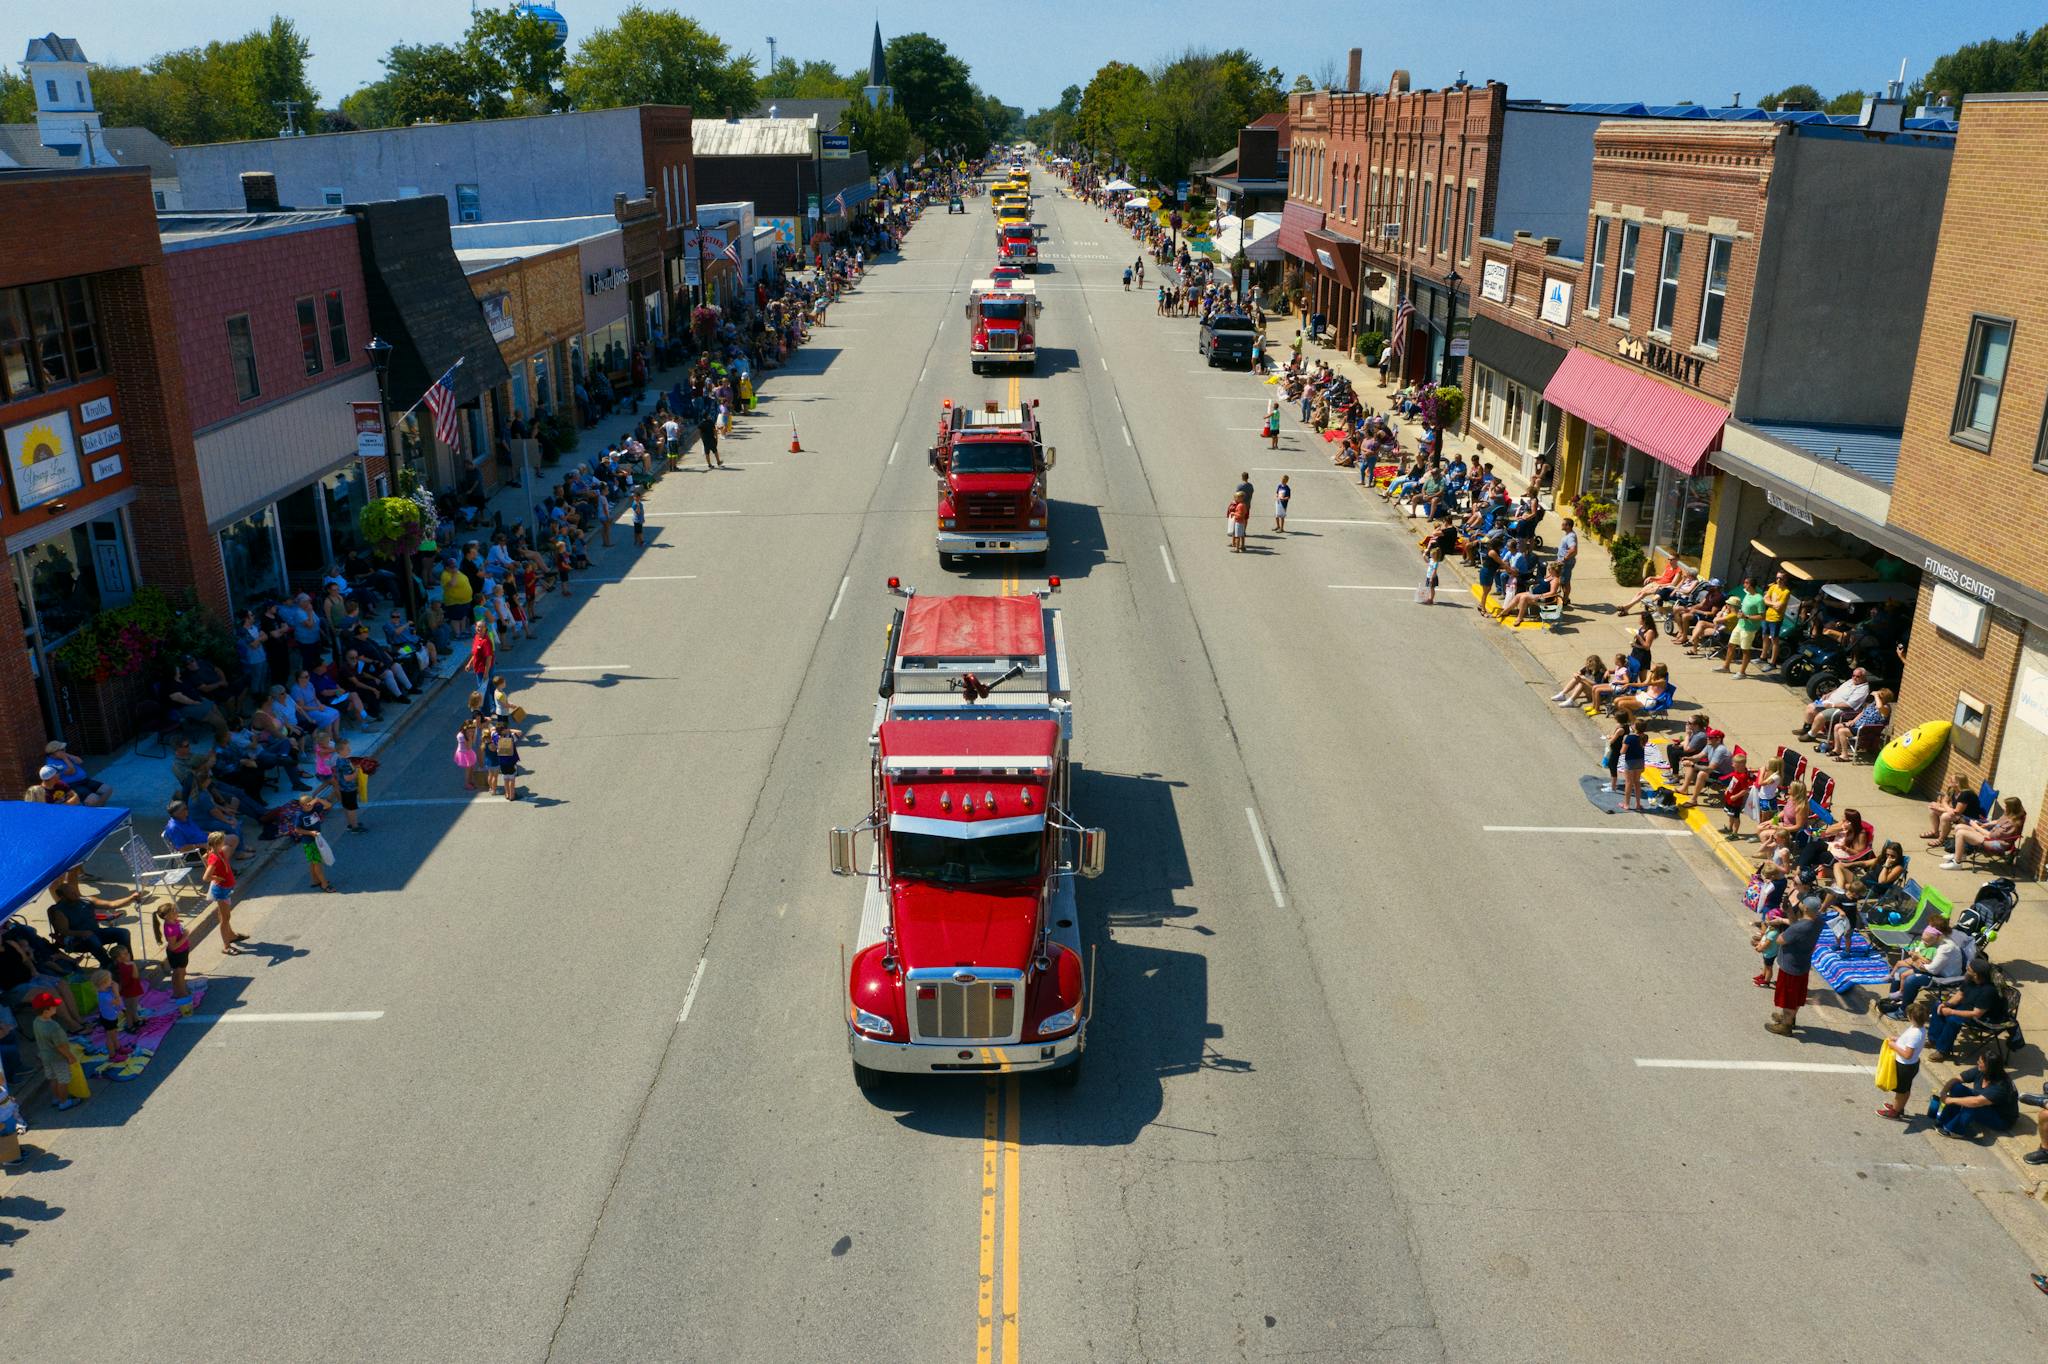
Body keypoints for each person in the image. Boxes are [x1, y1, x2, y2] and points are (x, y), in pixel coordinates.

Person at [1925, 957, 2005, 1061]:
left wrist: (1951, 1011)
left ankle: (1943, 1051)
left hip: (1984, 1017)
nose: (1967, 969)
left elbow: (1977, 1013)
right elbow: (1959, 995)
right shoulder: (1969, 980)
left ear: (1976, 975)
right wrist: (1947, 1004)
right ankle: (1934, 1040)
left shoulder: (1988, 991)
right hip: (1968, 1007)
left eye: (1969, 969)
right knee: (1938, 1006)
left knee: (1953, 1020)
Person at [1928, 1052, 2020, 1140]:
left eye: (1980, 1062)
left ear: (1989, 1067)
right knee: (1956, 1088)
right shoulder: (1981, 1070)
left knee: (1972, 1105)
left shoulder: (2001, 1086)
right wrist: (1944, 1093)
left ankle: (1955, 1130)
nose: (1977, 1063)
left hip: (2000, 1118)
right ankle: (1944, 1119)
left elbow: (1976, 1102)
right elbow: (1956, 1079)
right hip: (1985, 1102)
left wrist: (1950, 1100)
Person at [1765, 897, 1823, 1035]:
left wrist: (1780, 927)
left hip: (1790, 967)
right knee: (1796, 996)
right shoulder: (1818, 922)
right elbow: (1796, 925)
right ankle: (1789, 1018)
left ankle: (1786, 1025)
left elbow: (1780, 940)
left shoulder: (1799, 928)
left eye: (1802, 903)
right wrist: (1790, 912)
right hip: (1803, 965)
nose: (1800, 903)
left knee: (1789, 999)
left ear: (1806, 908)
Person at [25, 992, 83, 1112]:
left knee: (53, 1078)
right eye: (53, 1006)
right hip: (58, 1058)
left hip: (45, 1057)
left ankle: (57, 1098)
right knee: (63, 1080)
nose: (56, 1007)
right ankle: (64, 1102)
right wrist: (70, 1057)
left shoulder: (36, 1021)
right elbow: (60, 1046)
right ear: (46, 1010)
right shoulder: (53, 1027)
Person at [1876, 998, 1932, 1119]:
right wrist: (1899, 1040)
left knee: (1901, 1091)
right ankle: (1898, 1107)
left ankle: (1895, 1112)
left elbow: (1907, 1054)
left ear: (1912, 1017)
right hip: (1911, 1064)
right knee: (1904, 1089)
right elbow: (1908, 1044)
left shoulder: (1915, 1034)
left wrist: (1893, 1046)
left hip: (1905, 1066)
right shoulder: (1918, 1029)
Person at [1941, 795, 2026, 871]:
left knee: (1961, 833)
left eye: (2005, 806)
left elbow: (1991, 835)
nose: (2004, 807)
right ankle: (1961, 854)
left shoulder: (2011, 824)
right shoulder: (2009, 814)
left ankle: (1957, 863)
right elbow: (1998, 821)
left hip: (1996, 843)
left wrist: (1976, 826)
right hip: (1992, 836)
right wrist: (1986, 824)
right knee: (1959, 827)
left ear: (2011, 808)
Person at [1795, 668, 1871, 742]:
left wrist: (1832, 705)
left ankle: (1811, 735)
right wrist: (1828, 694)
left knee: (1821, 715)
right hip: (1829, 702)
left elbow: (1849, 705)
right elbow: (1838, 690)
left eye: (1858, 676)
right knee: (1811, 707)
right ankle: (1806, 729)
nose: (1854, 678)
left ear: (1864, 677)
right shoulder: (1850, 681)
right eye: (1853, 675)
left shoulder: (1863, 689)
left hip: (1842, 709)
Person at [202, 830, 245, 954]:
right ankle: (226, 946)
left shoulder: (216, 852)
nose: (225, 842)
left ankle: (231, 935)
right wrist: (216, 878)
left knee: (224, 916)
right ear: (218, 843)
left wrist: (210, 867)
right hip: (221, 890)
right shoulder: (215, 857)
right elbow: (205, 877)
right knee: (225, 918)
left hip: (225, 889)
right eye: (223, 840)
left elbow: (207, 860)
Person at [1718, 576, 1767, 676]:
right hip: (1740, 625)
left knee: (1745, 650)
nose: (1743, 585)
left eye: (1745, 583)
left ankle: (1742, 672)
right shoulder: (1747, 594)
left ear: (1749, 585)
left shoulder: (1759, 599)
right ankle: (1726, 667)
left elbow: (1762, 616)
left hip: (1749, 628)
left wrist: (1747, 617)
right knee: (1731, 645)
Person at [40, 740, 111, 806]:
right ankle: (92, 808)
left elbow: (80, 761)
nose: (64, 750)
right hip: (73, 785)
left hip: (85, 780)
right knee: (95, 799)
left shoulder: (63, 755)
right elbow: (72, 771)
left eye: (64, 749)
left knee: (107, 789)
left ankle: (99, 807)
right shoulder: (52, 764)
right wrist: (65, 758)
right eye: (61, 750)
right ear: (54, 753)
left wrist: (67, 755)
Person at [152, 904, 195, 1010]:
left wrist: (177, 921)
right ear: (167, 916)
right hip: (177, 954)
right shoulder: (170, 929)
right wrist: (185, 936)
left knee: (180, 973)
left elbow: (176, 925)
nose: (177, 912)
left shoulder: (173, 921)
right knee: (179, 975)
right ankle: (183, 994)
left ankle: (177, 992)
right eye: (174, 911)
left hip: (182, 952)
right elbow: (173, 947)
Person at [291, 794, 336, 892]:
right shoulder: (300, 815)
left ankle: (315, 881)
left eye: (310, 802)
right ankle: (324, 884)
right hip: (309, 842)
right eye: (306, 804)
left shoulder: (315, 809)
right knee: (317, 863)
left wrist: (318, 799)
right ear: (302, 805)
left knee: (313, 862)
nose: (309, 805)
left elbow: (328, 805)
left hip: (316, 839)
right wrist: (310, 833)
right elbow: (297, 829)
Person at [488, 715, 525, 801]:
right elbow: (520, 732)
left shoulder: (495, 737)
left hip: (501, 760)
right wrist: (509, 730)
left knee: (505, 778)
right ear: (505, 730)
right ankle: (512, 795)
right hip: (511, 760)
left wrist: (496, 729)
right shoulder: (510, 737)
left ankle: (507, 794)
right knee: (512, 778)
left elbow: (491, 729)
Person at [1752, 910, 1785, 988]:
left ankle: (1766, 981)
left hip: (1770, 953)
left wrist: (1760, 948)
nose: (1766, 921)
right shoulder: (1770, 928)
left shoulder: (1773, 933)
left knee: (1769, 967)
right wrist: (1759, 943)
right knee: (1766, 965)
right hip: (1768, 952)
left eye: (1767, 920)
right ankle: (1763, 975)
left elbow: (1767, 944)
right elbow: (1764, 937)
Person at [1552, 518, 1578, 610]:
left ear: (1568, 526)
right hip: (1563, 562)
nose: (1561, 525)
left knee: (1565, 582)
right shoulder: (1568, 535)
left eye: (1563, 524)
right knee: (1563, 581)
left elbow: (1573, 550)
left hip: (1566, 563)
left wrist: (1563, 559)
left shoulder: (1571, 536)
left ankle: (1565, 599)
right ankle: (1565, 598)